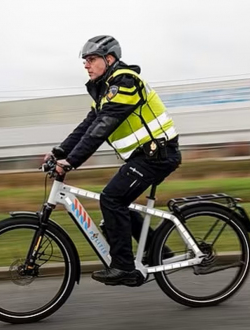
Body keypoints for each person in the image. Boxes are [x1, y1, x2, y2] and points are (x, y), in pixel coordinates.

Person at [43, 35, 182, 286]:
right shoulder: (106, 91)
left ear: (110, 59)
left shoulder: (125, 82)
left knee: (112, 198)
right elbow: (87, 125)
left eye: (92, 59)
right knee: (118, 207)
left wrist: (71, 162)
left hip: (158, 155)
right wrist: (59, 152)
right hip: (145, 156)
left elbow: (102, 128)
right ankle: (158, 251)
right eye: (85, 61)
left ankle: (124, 267)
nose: (87, 65)